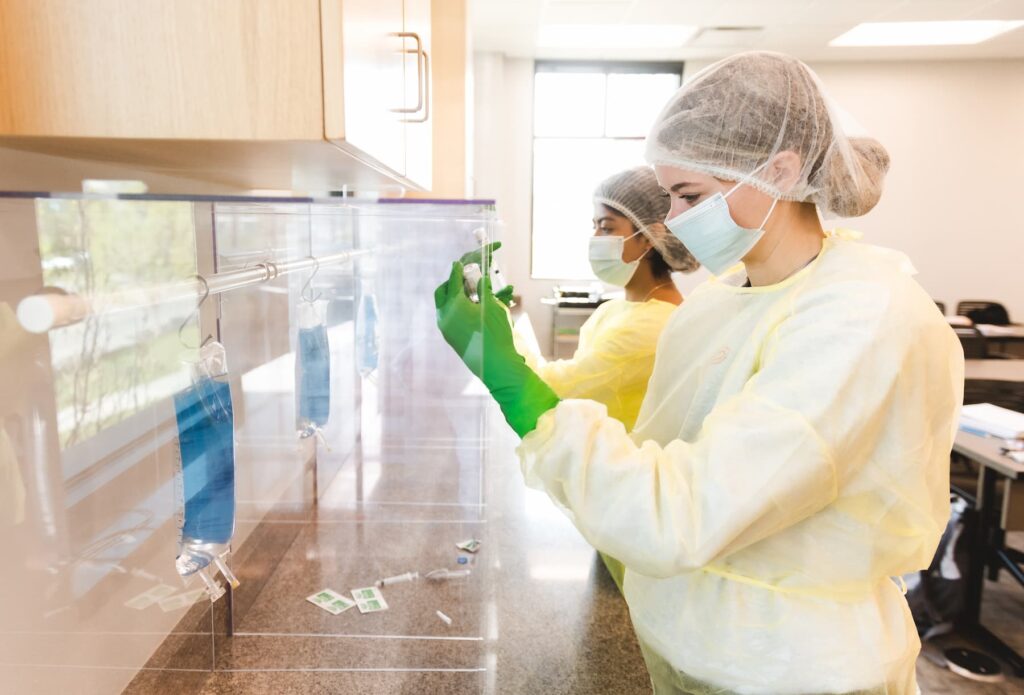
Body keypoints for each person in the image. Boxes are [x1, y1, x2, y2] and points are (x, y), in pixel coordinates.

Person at [435, 51, 963, 694]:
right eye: (671, 197)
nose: (677, 221)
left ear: (781, 169)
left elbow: (678, 515)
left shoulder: (861, 314)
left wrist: (514, 383)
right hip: (689, 638)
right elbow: (657, 458)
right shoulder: (719, 302)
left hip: (794, 668)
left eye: (691, 196)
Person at [513, 166, 697, 589]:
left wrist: (499, 332)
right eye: (594, 226)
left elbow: (554, 388)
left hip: (631, 499)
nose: (596, 239)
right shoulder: (621, 308)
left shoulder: (652, 325)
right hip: (610, 486)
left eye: (606, 226)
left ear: (650, 235)